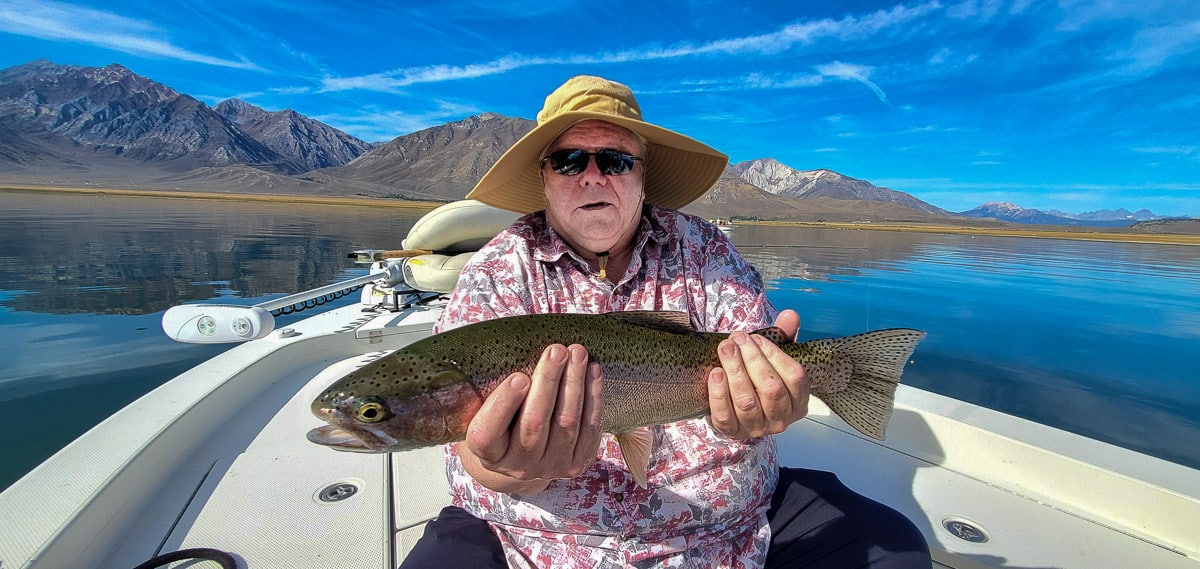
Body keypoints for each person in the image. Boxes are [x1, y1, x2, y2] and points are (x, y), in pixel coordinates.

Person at [400, 75, 930, 569]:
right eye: (568, 161)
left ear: (641, 175)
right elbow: (469, 446)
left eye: (614, 160)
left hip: (725, 532)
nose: (591, 175)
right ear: (544, 177)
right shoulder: (497, 270)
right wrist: (503, 465)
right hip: (533, 540)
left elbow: (757, 361)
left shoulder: (705, 250)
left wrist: (768, 402)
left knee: (897, 548)